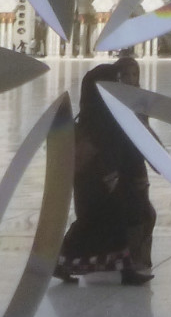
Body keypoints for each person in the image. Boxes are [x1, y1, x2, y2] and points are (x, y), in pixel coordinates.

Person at [55, 54, 156, 285]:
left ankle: (125, 269)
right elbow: (102, 147)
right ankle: (62, 262)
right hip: (98, 179)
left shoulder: (104, 113)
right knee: (94, 221)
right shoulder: (97, 117)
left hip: (107, 177)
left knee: (109, 222)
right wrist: (109, 173)